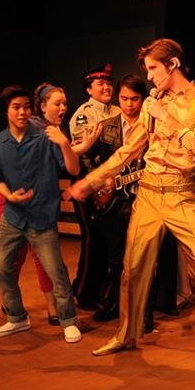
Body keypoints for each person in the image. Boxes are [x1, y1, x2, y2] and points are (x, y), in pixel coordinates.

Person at [63, 38, 195, 382]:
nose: (150, 77)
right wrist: (91, 182)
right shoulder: (152, 103)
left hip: (183, 196)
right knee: (132, 270)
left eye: (154, 68)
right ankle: (126, 334)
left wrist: (167, 117)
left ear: (173, 64)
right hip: (148, 194)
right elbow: (130, 150)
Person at [0, 85, 82, 343]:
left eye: (26, 107)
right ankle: (17, 317)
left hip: (41, 216)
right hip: (13, 216)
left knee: (55, 270)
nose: (22, 112)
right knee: (1, 267)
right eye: (16, 107)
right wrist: (9, 196)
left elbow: (73, 170)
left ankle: (68, 320)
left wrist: (64, 143)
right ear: (6, 111)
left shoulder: (45, 136)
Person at [86, 74, 148, 323]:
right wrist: (100, 182)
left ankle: (143, 312)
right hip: (114, 202)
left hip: (146, 199)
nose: (129, 104)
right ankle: (112, 303)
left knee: (144, 259)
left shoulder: (153, 127)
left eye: (134, 99)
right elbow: (87, 158)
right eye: (124, 98)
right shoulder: (106, 126)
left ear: (143, 99)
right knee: (115, 257)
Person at [69, 64, 120, 310]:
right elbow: (86, 154)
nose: (107, 87)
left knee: (108, 243)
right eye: (100, 84)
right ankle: (83, 292)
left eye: (109, 83)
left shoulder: (118, 110)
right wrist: (96, 185)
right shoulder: (84, 114)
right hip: (89, 183)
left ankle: (99, 290)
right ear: (89, 90)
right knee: (93, 241)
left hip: (112, 185)